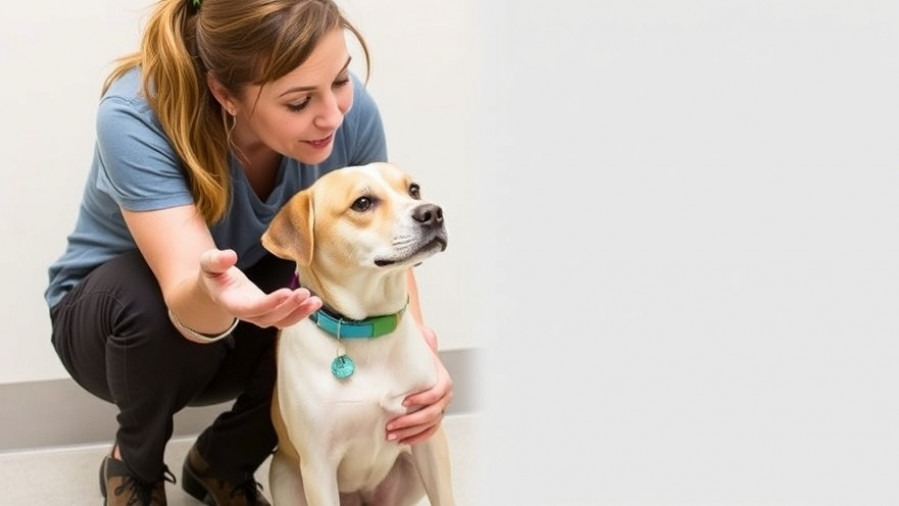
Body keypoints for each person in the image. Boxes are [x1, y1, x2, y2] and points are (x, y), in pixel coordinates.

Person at [44, 0, 454, 504]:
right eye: (299, 103)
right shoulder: (134, 115)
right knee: (145, 299)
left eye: (342, 81)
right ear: (225, 94)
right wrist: (234, 300)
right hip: (121, 326)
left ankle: (220, 462)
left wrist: (422, 358)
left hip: (249, 305)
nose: (332, 114)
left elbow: (385, 246)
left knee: (324, 282)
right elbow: (183, 294)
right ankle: (135, 466)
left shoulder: (347, 110)